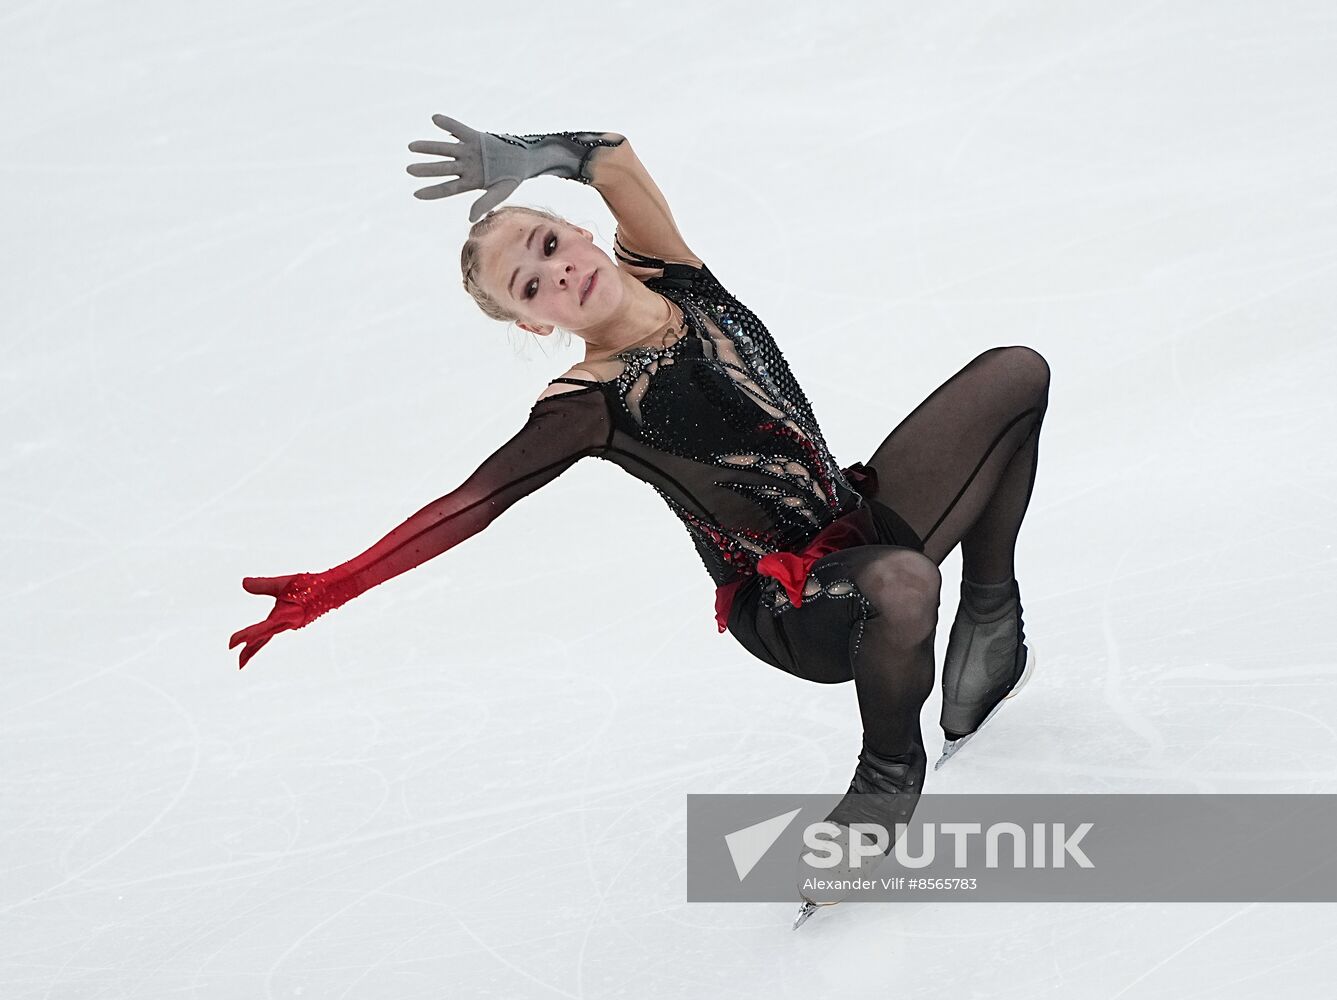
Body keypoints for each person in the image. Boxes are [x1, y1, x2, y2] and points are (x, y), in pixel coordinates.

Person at [229, 115, 1051, 925]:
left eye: (548, 245)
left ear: (579, 231)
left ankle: (987, 615)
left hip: (857, 520)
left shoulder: (673, 272)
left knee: (1014, 375)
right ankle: (885, 773)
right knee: (903, 582)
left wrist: (527, 153)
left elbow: (613, 156)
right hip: (796, 610)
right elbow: (469, 505)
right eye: (528, 285)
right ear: (533, 323)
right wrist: (332, 587)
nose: (555, 274)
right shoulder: (589, 404)